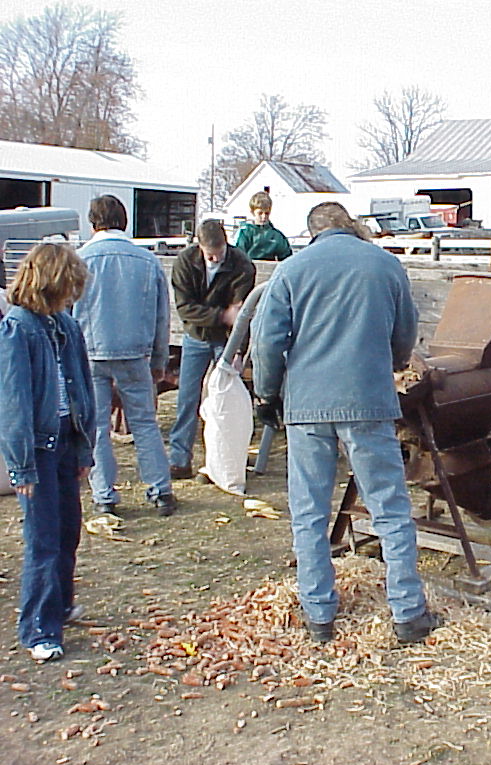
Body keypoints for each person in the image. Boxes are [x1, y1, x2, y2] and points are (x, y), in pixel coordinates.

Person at [251, 201, 440, 646]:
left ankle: (319, 614)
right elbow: (405, 333)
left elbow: (266, 341)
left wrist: (268, 393)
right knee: (390, 508)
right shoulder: (385, 265)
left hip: (308, 405)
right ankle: (409, 613)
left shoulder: (292, 269)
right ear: (349, 226)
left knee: (310, 512)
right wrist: (389, 364)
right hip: (369, 401)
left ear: (313, 232)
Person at [0, 243, 96, 661]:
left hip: (65, 441)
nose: (70, 299)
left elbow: (83, 386)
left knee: (68, 530)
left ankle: (61, 602)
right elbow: (13, 402)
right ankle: (39, 626)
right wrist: (20, 467)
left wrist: (84, 448)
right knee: (43, 541)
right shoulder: (18, 329)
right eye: (66, 290)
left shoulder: (64, 326)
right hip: (37, 448)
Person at [73, 195, 176, 516]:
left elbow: (68, 312)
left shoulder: (80, 260)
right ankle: (160, 489)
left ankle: (104, 494)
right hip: (135, 352)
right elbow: (162, 317)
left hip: (89, 351)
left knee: (97, 426)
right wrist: (160, 362)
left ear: (93, 224)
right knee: (144, 422)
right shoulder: (147, 261)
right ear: (125, 222)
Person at [168, 220, 255, 479]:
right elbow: (185, 308)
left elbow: (241, 313)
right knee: (187, 397)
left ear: (226, 243)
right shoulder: (185, 263)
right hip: (196, 336)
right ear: (199, 246)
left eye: (219, 252)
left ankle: (222, 463)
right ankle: (180, 459)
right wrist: (220, 316)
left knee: (225, 400)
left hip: (226, 340)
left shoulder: (241, 265)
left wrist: (238, 351)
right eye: (209, 254)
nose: (215, 257)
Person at [234, 191, 292, 262]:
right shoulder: (245, 233)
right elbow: (237, 256)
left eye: (266, 213)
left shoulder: (276, 236)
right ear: (252, 212)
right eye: (260, 213)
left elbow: (287, 259)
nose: (264, 216)